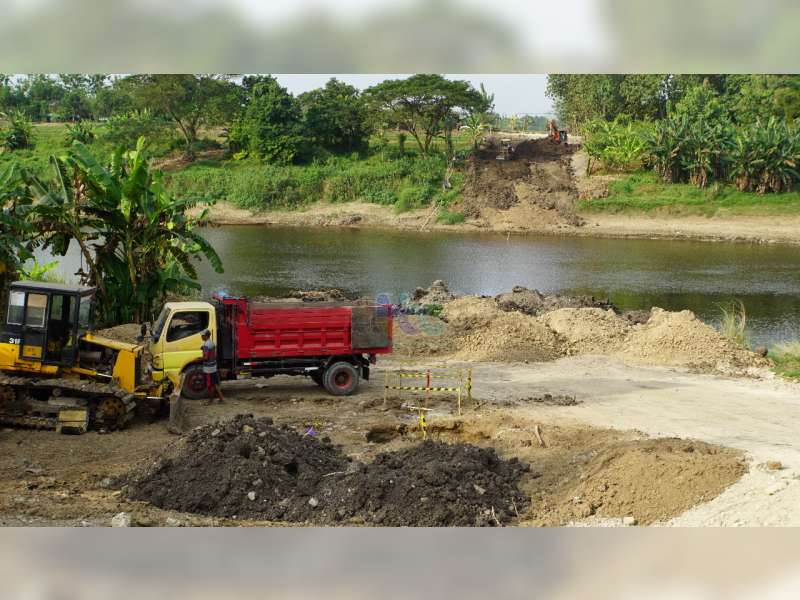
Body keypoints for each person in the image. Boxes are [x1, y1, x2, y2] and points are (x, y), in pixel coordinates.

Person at [201, 330, 224, 404]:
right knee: (215, 384)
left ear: (206, 336)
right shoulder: (211, 343)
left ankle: (210, 401)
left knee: (209, 385)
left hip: (208, 369)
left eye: (202, 336)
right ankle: (221, 398)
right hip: (213, 366)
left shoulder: (206, 345)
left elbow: (206, 357)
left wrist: (199, 359)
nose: (201, 337)